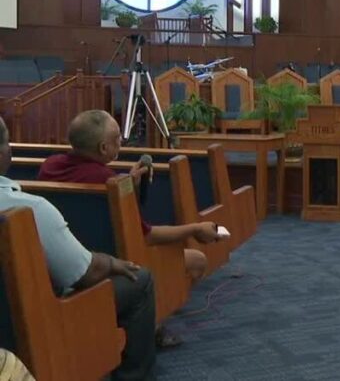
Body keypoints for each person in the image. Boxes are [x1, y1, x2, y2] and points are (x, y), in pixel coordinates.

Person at [38, 110, 220, 347]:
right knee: (197, 261)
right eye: (116, 139)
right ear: (103, 148)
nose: (121, 142)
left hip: (62, 264)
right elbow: (148, 236)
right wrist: (195, 228)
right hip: (115, 264)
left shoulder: (49, 167)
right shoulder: (106, 179)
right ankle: (149, 323)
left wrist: (127, 186)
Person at [0, 117, 157, 381]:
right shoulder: (29, 209)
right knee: (140, 280)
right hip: (27, 328)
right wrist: (109, 262)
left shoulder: (51, 167)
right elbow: (84, 273)